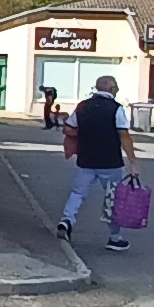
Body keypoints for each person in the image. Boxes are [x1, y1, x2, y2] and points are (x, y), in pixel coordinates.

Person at [59, 74, 140, 252]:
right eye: (115, 87)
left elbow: (68, 128)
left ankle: (66, 221)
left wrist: (85, 135)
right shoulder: (116, 109)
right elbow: (124, 136)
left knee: (78, 193)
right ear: (112, 89)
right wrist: (132, 162)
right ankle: (114, 237)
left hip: (85, 159)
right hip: (110, 162)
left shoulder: (83, 106)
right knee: (113, 198)